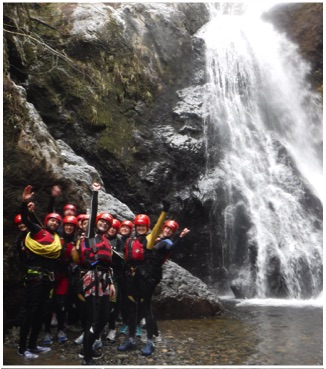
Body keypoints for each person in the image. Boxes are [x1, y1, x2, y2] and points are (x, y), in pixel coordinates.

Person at [117, 202, 169, 356]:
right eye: (138, 226)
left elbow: (159, 226)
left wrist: (164, 212)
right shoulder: (130, 241)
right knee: (132, 308)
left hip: (144, 278)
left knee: (146, 308)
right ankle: (131, 339)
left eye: (143, 226)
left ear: (147, 227)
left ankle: (150, 343)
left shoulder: (150, 238)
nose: (140, 228)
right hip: (131, 278)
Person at [72, 183, 115, 365]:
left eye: (106, 223)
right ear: (97, 223)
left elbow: (109, 265)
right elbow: (94, 211)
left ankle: (86, 349)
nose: (103, 224)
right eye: (101, 222)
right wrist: (95, 193)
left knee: (104, 318)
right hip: (92, 278)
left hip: (105, 279)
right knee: (93, 318)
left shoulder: (107, 241)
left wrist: (111, 282)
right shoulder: (90, 236)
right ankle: (87, 357)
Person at [17, 185, 62, 359]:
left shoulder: (56, 239)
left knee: (42, 312)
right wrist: (24, 202)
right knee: (31, 311)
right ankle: (22, 348)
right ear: (46, 220)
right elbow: (25, 219)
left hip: (48, 279)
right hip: (35, 277)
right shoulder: (38, 231)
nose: (54, 223)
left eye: (57, 222)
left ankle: (33, 344)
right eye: (52, 220)